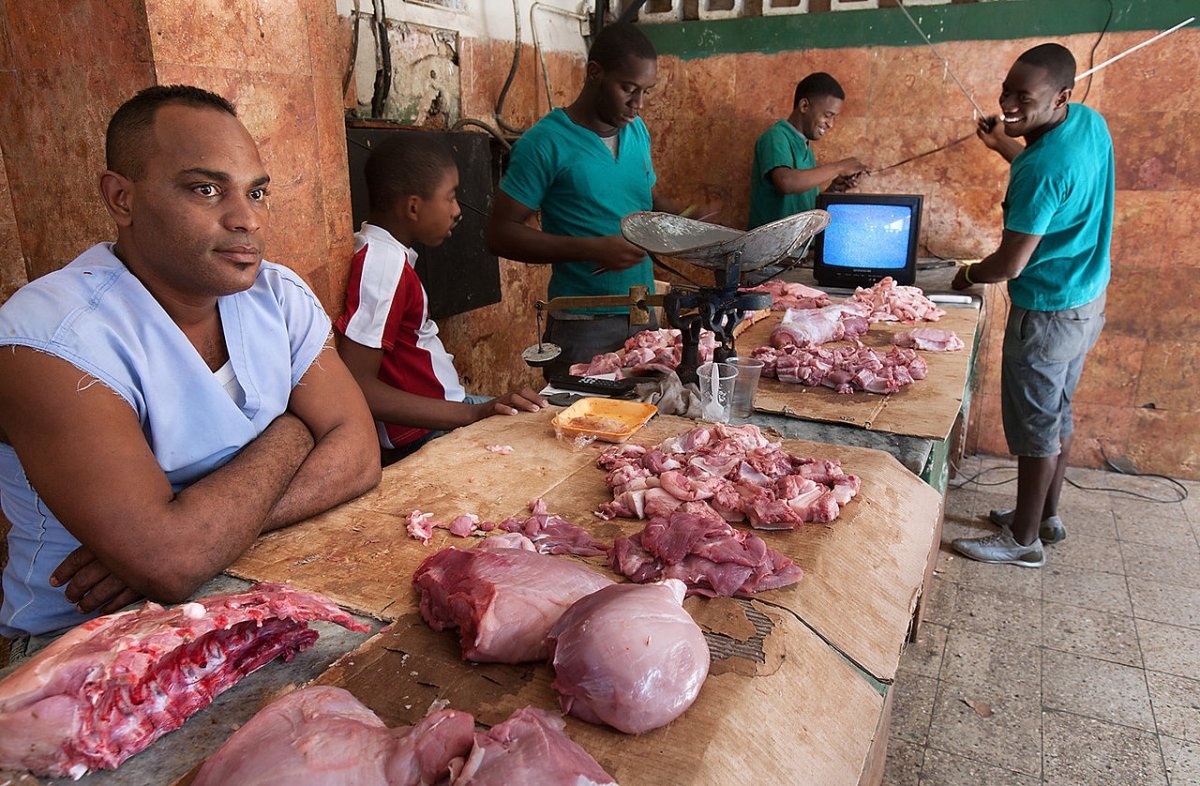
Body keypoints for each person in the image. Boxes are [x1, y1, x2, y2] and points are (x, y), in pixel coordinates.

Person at [0, 85, 382, 650]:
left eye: (256, 192)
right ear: (121, 198)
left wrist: (207, 530)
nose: (245, 219)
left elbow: (359, 456)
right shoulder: (49, 338)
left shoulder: (277, 296)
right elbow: (172, 562)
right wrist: (296, 430)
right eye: (205, 190)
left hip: (251, 588)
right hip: (88, 642)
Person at [950, 43, 1112, 568]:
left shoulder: (1040, 171)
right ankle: (1045, 516)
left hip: (1044, 312)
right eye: (1006, 92)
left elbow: (1011, 264)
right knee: (1057, 414)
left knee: (1036, 426)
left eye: (1025, 98)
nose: (1009, 105)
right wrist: (1004, 145)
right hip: (1085, 298)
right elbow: (1057, 183)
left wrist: (968, 274)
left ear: (1061, 95)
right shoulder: (1087, 123)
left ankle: (1023, 542)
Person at [485, 22, 712, 378]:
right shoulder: (545, 143)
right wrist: (593, 248)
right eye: (628, 88)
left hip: (643, 312)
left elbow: (645, 198)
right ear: (594, 73)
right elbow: (499, 233)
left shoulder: (636, 131)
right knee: (579, 424)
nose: (637, 105)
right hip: (583, 322)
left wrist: (684, 219)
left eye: (646, 92)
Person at [335, 135, 546, 463]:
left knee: (542, 422)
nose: (457, 210)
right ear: (414, 207)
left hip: (447, 407)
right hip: (423, 433)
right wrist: (474, 415)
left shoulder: (387, 255)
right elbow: (355, 383)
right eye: (450, 198)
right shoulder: (383, 265)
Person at [747, 72, 868, 230]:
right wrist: (839, 167)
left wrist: (834, 189)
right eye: (827, 115)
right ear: (804, 106)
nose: (830, 124)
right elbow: (786, 183)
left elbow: (806, 209)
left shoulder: (805, 148)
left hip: (798, 252)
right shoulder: (776, 137)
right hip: (771, 253)